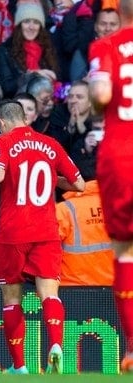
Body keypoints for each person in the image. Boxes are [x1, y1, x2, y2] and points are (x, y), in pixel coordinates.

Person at [0, 100, 84, 374]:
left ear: (1, 123)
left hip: (13, 232)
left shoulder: (3, 142)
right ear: (24, 118)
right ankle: (55, 346)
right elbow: (79, 184)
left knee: (11, 299)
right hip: (45, 231)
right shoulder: (51, 144)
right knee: (49, 295)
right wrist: (53, 179)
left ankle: (19, 366)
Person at [88, 0, 133, 372]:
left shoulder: (105, 46)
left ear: (118, 9)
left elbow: (102, 95)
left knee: (125, 251)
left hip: (120, 156)